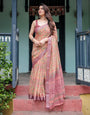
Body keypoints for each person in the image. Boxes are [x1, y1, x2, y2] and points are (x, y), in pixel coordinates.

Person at [28, 3, 65, 110]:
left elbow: (55, 37)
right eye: (38, 9)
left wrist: (45, 40)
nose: (39, 10)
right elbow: (30, 34)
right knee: (37, 69)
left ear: (45, 11)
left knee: (45, 70)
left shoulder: (51, 23)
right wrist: (35, 40)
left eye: (41, 9)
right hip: (36, 49)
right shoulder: (34, 22)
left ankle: (46, 93)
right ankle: (38, 93)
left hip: (46, 49)